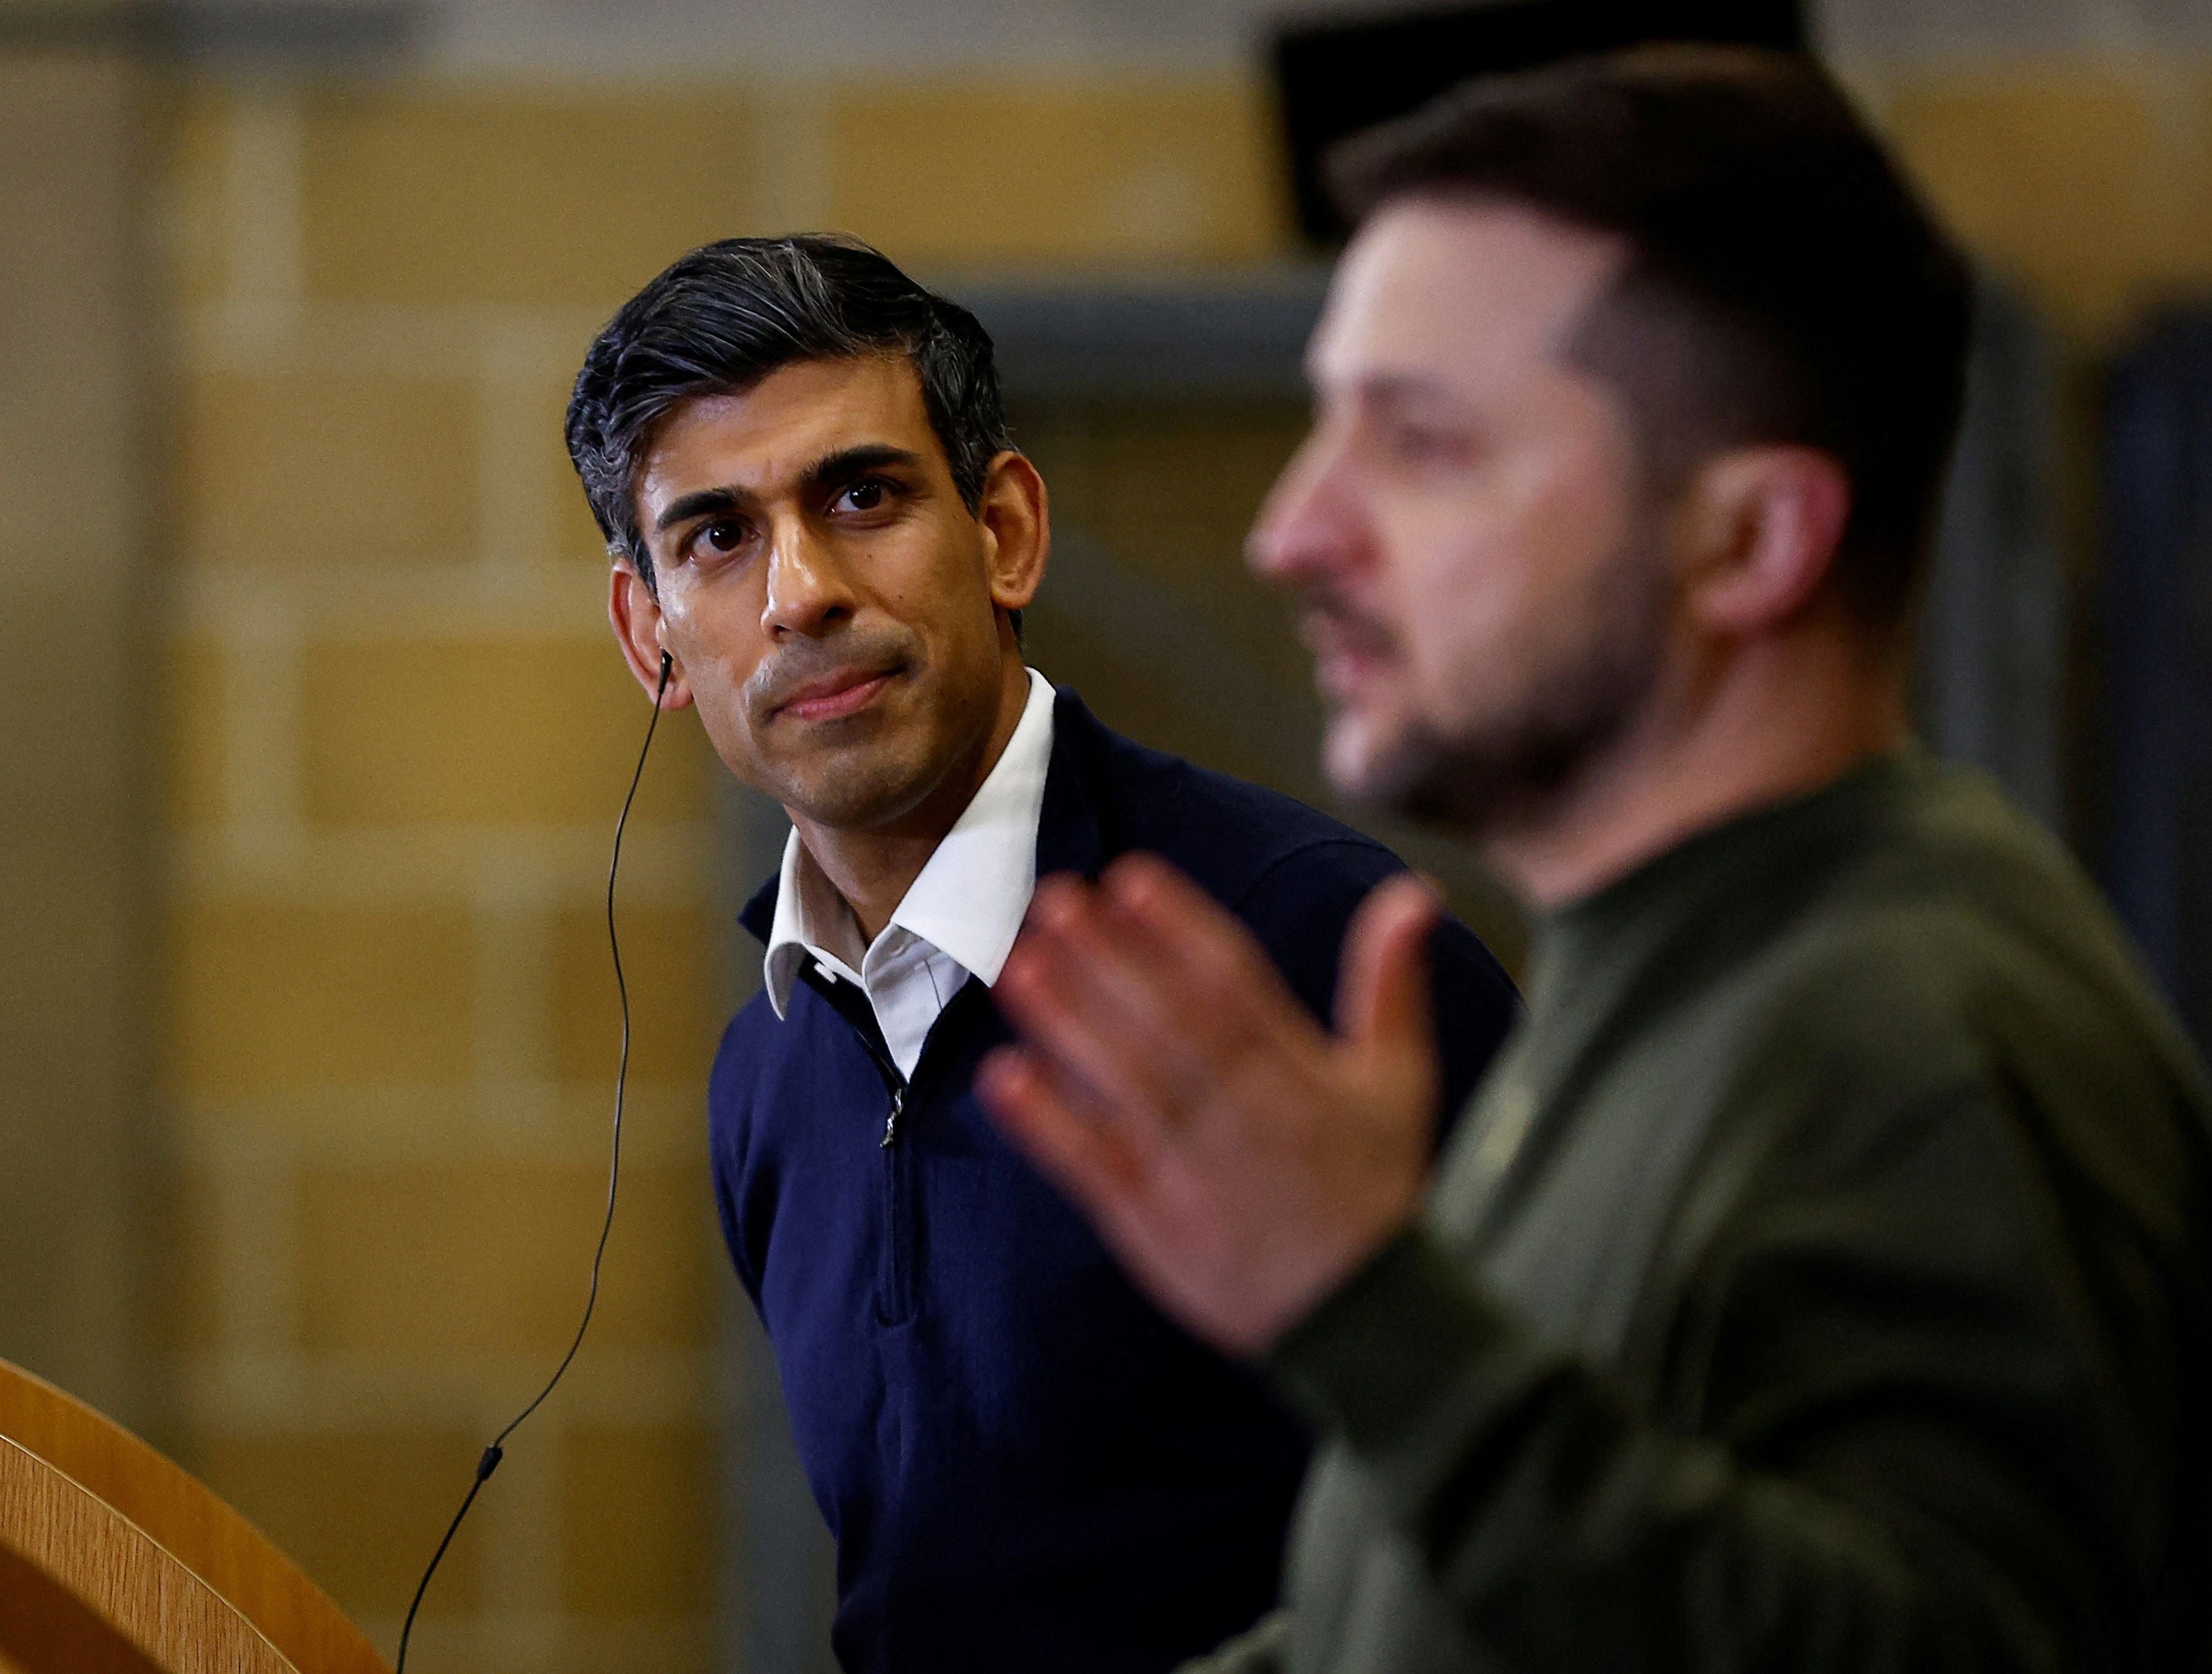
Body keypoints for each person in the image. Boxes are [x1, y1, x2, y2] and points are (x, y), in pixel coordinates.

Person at [979, 47, 2212, 1674]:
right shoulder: (1659, 969)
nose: (1291, 531)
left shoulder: (1917, 1035)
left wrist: (1356, 1308)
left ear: (1747, 540)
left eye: (1415, 443)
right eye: (1324, 430)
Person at [562, 235, 1519, 1674]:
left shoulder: (1307, 946)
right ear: (650, 637)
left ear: (1003, 531)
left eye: (862, 496)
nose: (800, 592)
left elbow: (1558, 1554)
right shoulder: (763, 1072)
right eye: (717, 536)